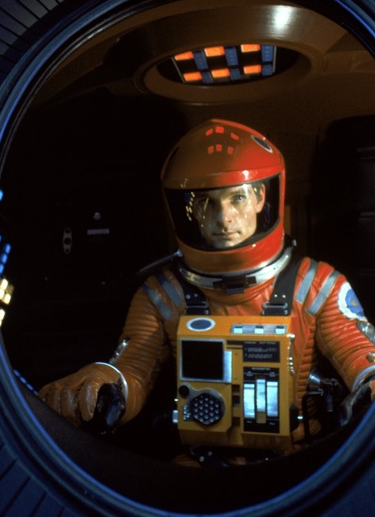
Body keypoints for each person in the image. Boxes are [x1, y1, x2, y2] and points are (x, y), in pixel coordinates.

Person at [39, 118, 375, 462]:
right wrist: (104, 383)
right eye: (206, 203)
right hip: (202, 464)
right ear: (189, 211)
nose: (224, 218)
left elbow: (358, 354)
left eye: (237, 198)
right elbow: (134, 370)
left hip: (299, 463)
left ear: (261, 197)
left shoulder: (315, 285)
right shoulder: (163, 295)